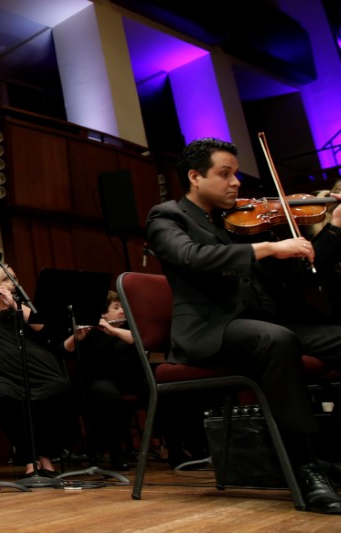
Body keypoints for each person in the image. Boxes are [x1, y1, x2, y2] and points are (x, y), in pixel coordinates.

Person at [146, 137, 341, 514]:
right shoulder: (167, 216)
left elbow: (298, 276)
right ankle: (303, 466)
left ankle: (328, 456)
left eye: (236, 174)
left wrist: (332, 230)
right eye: (225, 174)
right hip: (212, 329)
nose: (236, 182)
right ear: (194, 177)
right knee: (275, 339)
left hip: (269, 322)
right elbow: (190, 257)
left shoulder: (241, 221)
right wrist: (268, 248)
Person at [0, 266, 79, 476]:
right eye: (8, 278)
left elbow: (46, 330)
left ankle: (45, 455)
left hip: (31, 371)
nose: (14, 283)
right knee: (2, 395)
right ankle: (30, 458)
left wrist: (15, 306)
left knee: (58, 388)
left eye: (15, 278)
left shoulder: (22, 309)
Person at [76, 291, 145, 470]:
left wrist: (115, 331)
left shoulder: (130, 328)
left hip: (131, 380)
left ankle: (178, 452)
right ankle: (116, 452)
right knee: (107, 394)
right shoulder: (91, 333)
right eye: (116, 307)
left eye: (122, 306)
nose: (122, 311)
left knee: (165, 390)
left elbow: (143, 342)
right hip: (103, 380)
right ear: (102, 315)